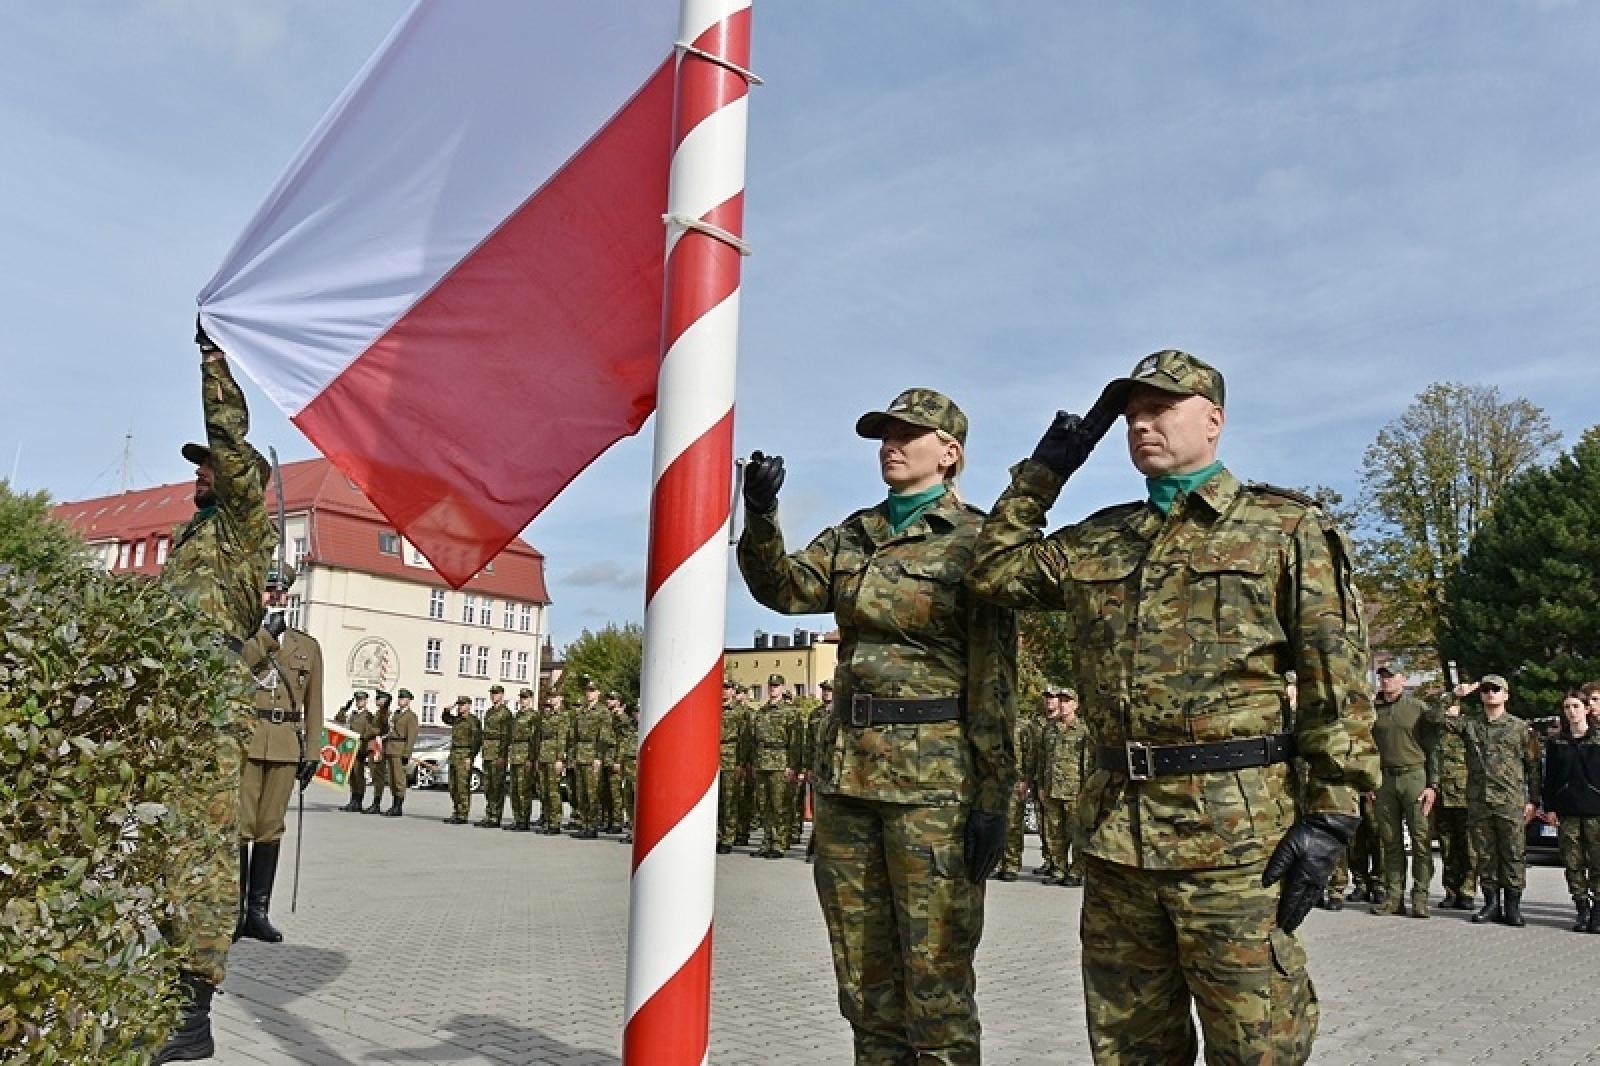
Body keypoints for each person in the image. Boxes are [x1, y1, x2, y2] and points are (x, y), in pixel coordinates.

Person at [966, 350, 1378, 1064]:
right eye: (1131, 414)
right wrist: (1046, 473)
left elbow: (1336, 679)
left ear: (1213, 421)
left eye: (1161, 409)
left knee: (1257, 1046)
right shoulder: (1099, 537)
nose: (1140, 424)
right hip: (1117, 840)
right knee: (1129, 1049)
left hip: (1234, 843)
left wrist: (1334, 813)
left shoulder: (1284, 528)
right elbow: (992, 572)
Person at [738, 387, 1017, 1063]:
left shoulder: (978, 543)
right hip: (849, 779)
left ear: (949, 453)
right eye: (884, 435)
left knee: (937, 983)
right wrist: (761, 512)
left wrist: (995, 795)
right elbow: (783, 589)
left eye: (908, 434)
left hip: (936, 786)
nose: (891, 444)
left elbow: (995, 680)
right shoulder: (855, 534)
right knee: (863, 983)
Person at [152, 318, 277, 1064]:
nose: (199, 473)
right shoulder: (193, 537)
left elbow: (230, 441)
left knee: (200, 848)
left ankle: (193, 1008)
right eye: (196, 467)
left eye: (209, 467)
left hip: (208, 699)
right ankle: (151, 978)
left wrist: (214, 358)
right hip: (172, 698)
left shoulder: (239, 526)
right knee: (165, 843)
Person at [234, 565, 323, 944]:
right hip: (247, 740)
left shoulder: (307, 646)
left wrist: (314, 749)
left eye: (281, 591)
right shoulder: (244, 639)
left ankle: (258, 912)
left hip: (286, 743)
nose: (275, 597)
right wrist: (264, 640)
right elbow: (233, 672)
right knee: (240, 826)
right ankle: (235, 912)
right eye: (269, 590)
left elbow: (314, 703)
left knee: (270, 828)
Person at [1435, 675, 1539, 927]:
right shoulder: (1471, 726)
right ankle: (1491, 903)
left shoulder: (1520, 728)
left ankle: (1513, 906)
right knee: (1485, 855)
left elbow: (1533, 766)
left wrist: (1533, 800)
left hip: (1510, 802)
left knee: (1513, 855)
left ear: (1506, 695)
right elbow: (1433, 717)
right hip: (1479, 802)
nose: (1490, 693)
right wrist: (1456, 695)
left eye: (1496, 689)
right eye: (1485, 689)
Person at [1369, 664, 1439, 918]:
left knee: (1421, 840)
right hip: (1384, 779)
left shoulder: (1418, 709)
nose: (1386, 681)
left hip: (1414, 776)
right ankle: (1393, 897)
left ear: (1403, 679)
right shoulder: (1372, 711)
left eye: (1391, 676)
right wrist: (1369, 782)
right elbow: (1366, 747)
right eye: (1382, 677)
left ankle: (1420, 897)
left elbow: (1433, 748)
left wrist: (1433, 785)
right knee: (1390, 841)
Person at [1539, 690, 1600, 932]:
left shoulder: (1598, 738)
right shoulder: (1557, 742)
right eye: (1567, 707)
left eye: (1576, 706)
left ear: (1586, 709)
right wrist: (1550, 807)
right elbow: (1550, 777)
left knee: (1598, 863)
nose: (1571, 711)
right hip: (1568, 811)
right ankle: (1581, 909)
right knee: (1572, 863)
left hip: (1596, 810)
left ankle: (1598, 912)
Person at [1037, 687, 1088, 887]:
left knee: (1077, 833)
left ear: (1076, 705)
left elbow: (1088, 761)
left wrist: (1087, 789)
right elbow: (1043, 759)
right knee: (1054, 833)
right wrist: (1041, 785)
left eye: (1067, 701)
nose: (1063, 704)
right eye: (1061, 700)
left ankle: (1076, 871)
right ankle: (1058, 869)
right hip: (1051, 789)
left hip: (1075, 790)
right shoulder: (1050, 729)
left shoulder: (1083, 730)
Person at [1432, 686, 1477, 910]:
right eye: (1446, 704)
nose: (1449, 709)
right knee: (1447, 847)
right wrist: (1449, 696)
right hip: (1442, 795)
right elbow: (1434, 716)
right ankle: (1450, 890)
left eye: (1452, 705)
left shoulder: (1468, 726)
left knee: (1468, 847)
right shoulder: (1436, 728)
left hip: (1465, 795)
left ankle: (1467, 891)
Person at [749, 674, 799, 859]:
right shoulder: (761, 712)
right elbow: (754, 740)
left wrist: (793, 766)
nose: (773, 689)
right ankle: (766, 841)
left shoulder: (790, 712)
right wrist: (754, 762)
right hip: (762, 762)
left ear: (783, 688)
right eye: (770, 685)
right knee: (764, 805)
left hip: (780, 761)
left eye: (776, 686)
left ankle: (779, 844)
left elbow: (795, 742)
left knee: (779, 805)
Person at [568, 676, 612, 839]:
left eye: (592, 691)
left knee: (592, 793)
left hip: (592, 753)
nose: (589, 694)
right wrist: (572, 757)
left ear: (598, 693)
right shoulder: (582, 712)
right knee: (581, 792)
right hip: (580, 754)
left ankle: (592, 826)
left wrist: (598, 757)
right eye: (588, 691)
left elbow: (604, 736)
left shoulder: (603, 712)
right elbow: (574, 736)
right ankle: (584, 823)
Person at [717, 678, 749, 854]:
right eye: (722, 688)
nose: (724, 691)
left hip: (731, 756)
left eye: (727, 688)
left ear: (733, 691)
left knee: (730, 800)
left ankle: (728, 837)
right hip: (714, 758)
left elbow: (744, 739)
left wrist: (741, 762)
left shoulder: (739, 712)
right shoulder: (713, 709)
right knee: (718, 800)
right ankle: (719, 833)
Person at [477, 685, 513, 828]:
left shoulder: (505, 714)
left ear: (502, 695)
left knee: (497, 786)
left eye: (496, 694)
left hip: (498, 753)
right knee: (488, 786)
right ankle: (489, 813)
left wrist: (503, 755)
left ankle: (495, 816)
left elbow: (506, 736)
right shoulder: (489, 712)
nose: (494, 696)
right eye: (492, 693)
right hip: (488, 753)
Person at [380, 689, 419, 817]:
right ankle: (394, 804)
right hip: (391, 748)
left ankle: (398, 806)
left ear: (408, 701)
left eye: (403, 699)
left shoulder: (411, 716)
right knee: (391, 779)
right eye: (399, 698)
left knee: (399, 779)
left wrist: (406, 754)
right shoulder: (395, 715)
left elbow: (411, 736)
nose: (400, 701)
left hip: (400, 749)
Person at [442, 696, 480, 825]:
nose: (460, 707)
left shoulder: (473, 721)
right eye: (459, 705)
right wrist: (447, 710)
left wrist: (471, 757)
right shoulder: (457, 719)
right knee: (453, 786)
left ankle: (463, 814)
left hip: (465, 754)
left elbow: (476, 740)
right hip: (454, 754)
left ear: (469, 706)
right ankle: (456, 811)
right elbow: (446, 719)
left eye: (463, 705)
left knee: (462, 786)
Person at [506, 688, 540, 832]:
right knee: (514, 790)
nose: (523, 700)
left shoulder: (534, 716)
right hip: (515, 755)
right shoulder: (517, 715)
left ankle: (524, 820)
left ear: (531, 699)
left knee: (523, 790)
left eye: (525, 698)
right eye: (521, 697)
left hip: (525, 753)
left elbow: (535, 739)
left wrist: (531, 758)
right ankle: (517, 818)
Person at [536, 692, 568, 834]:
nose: (552, 699)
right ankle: (548, 820)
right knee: (544, 791)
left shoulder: (563, 716)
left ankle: (555, 823)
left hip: (554, 757)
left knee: (553, 791)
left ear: (561, 698)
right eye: (551, 696)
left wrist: (560, 759)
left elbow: (562, 738)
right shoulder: (547, 716)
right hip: (543, 756)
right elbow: (540, 737)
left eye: (555, 696)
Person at [363, 691, 395, 814]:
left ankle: (377, 803)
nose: (377, 700)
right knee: (375, 775)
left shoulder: (385, 713)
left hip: (379, 747)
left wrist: (368, 733)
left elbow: (382, 729)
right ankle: (375, 802)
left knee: (378, 776)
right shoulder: (378, 713)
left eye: (379, 698)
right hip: (374, 745)